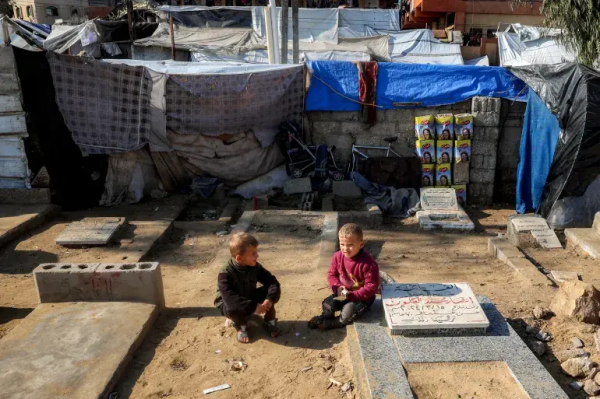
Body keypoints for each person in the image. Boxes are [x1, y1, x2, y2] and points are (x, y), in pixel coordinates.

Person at [308, 223, 380, 330]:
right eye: (342, 244)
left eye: (350, 245)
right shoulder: (337, 257)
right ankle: (326, 317)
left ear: (361, 244)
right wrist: (337, 287)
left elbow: (371, 287)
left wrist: (352, 296)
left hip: (362, 299)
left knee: (348, 311)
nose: (345, 249)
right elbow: (332, 275)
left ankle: (333, 323)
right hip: (343, 294)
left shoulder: (369, 264)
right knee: (328, 303)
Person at [214, 232, 281, 343]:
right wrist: (254, 307)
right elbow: (230, 299)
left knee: (269, 292)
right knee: (233, 307)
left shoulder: (254, 266)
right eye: (253, 253)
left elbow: (272, 282)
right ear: (239, 258)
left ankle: (270, 321)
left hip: (248, 294)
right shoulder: (225, 274)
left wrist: (270, 299)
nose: (257, 256)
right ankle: (241, 327)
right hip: (227, 303)